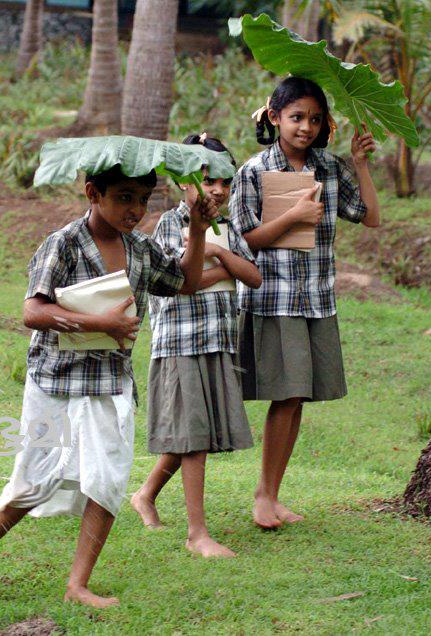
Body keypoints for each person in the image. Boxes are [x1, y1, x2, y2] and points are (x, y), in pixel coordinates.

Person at [0, 165, 219, 608]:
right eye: (124, 198)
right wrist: (99, 322)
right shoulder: (62, 244)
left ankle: (78, 585)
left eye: (142, 199)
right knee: (34, 481)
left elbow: (186, 282)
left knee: (107, 480)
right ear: (92, 193)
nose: (135, 210)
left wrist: (197, 230)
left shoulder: (139, 247)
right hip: (56, 383)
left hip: (110, 382)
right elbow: (32, 312)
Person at [228, 77, 380, 529]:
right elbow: (242, 244)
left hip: (316, 298)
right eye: (296, 117)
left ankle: (271, 495)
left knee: (296, 399)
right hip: (273, 298)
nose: (306, 127)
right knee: (288, 394)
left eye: (315, 119)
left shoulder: (331, 169)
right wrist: (293, 215)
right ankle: (263, 496)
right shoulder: (254, 171)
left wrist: (360, 164)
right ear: (274, 117)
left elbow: (371, 218)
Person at [130, 133, 262, 558]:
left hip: (218, 339)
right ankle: (197, 534)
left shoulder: (230, 226)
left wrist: (221, 260)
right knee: (194, 436)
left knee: (194, 431)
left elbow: (253, 275)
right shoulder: (170, 225)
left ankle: (146, 495)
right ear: (183, 183)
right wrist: (223, 270)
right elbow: (180, 285)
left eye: (225, 180)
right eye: (208, 180)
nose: (218, 189)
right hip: (181, 342)